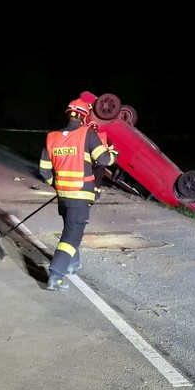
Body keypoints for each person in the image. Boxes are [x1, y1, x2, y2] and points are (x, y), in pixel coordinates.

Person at [39, 98, 117, 291]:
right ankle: (55, 275)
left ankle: (73, 264)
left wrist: (58, 185)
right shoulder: (87, 134)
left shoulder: (52, 137)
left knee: (71, 229)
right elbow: (104, 159)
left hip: (63, 197)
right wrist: (113, 154)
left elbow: (44, 171)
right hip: (80, 196)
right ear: (84, 116)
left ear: (69, 114)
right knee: (72, 237)